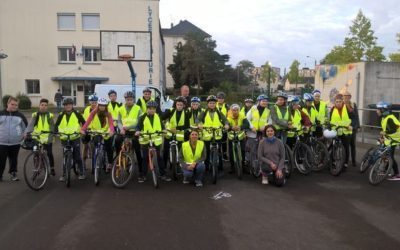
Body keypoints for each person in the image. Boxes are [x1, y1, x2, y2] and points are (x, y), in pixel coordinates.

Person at [135, 101, 171, 182]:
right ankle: (143, 175)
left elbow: (162, 126)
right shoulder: (142, 117)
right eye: (150, 109)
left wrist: (164, 130)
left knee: (159, 157)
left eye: (153, 109)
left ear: (155, 109)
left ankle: (163, 174)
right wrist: (137, 131)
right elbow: (138, 126)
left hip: (156, 139)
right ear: (147, 109)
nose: (151, 110)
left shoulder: (157, 117)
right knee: (145, 158)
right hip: (145, 140)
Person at [55, 98, 86, 181]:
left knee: (77, 156)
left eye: (69, 104)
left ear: (72, 105)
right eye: (66, 105)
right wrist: (55, 132)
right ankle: (64, 174)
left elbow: (84, 123)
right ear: (64, 106)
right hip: (64, 138)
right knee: (65, 157)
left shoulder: (77, 113)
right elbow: (56, 125)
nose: (68, 106)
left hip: (75, 137)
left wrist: (83, 130)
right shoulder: (61, 114)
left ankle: (82, 172)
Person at [198, 95, 230, 175]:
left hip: (217, 134)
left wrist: (226, 124)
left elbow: (225, 119)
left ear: (215, 104)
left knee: (219, 151)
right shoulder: (204, 111)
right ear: (207, 104)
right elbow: (198, 119)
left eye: (213, 103)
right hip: (207, 135)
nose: (212, 104)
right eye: (210, 103)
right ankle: (206, 167)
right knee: (207, 152)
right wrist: (199, 123)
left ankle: (220, 168)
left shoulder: (219, 112)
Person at [81, 97, 115, 171]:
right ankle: (96, 160)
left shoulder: (108, 113)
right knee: (95, 144)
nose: (102, 107)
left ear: (106, 106)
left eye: (104, 105)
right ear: (98, 105)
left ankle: (109, 163)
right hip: (96, 132)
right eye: (100, 105)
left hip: (105, 132)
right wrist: (83, 129)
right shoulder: (93, 112)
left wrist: (111, 131)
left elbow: (111, 124)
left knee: (109, 147)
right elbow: (88, 122)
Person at [25, 98, 55, 176]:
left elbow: (52, 127)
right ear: (39, 106)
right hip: (37, 138)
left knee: (49, 153)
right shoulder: (35, 115)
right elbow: (31, 125)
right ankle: (37, 168)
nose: (44, 107)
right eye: (42, 105)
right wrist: (28, 132)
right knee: (35, 154)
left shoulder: (50, 116)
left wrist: (50, 138)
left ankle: (52, 167)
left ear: (47, 107)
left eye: (45, 105)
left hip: (47, 138)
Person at [0, 97, 28, 181]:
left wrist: (25, 134)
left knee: (13, 159)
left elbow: (26, 127)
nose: (14, 106)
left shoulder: (20, 115)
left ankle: (13, 173)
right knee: (1, 160)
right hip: (2, 142)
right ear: (7, 104)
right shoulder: (1, 113)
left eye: (16, 105)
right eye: (12, 104)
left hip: (15, 142)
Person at [117, 91, 143, 177]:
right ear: (125, 100)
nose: (129, 101)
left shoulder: (138, 108)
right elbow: (119, 121)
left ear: (133, 100)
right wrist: (121, 129)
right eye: (127, 99)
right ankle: (118, 160)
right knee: (117, 140)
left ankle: (140, 169)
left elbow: (140, 121)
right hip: (124, 131)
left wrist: (129, 127)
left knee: (137, 148)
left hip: (134, 131)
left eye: (131, 99)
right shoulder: (121, 109)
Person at [162, 96, 190, 172]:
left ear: (184, 105)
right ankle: (164, 167)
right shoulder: (170, 110)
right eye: (178, 104)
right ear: (175, 104)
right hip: (169, 134)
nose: (179, 106)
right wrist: (164, 127)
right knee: (166, 151)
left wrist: (177, 128)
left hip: (179, 135)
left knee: (180, 152)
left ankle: (178, 166)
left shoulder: (186, 112)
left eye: (181, 105)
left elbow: (187, 125)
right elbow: (161, 118)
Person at [376, 101, 400, 180]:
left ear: (383, 110)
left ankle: (397, 174)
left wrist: (384, 133)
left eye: (378, 109)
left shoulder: (390, 118)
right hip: (389, 138)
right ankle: (387, 171)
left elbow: (393, 130)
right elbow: (385, 129)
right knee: (386, 155)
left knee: (390, 156)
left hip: (394, 139)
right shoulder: (384, 117)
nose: (376, 111)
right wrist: (382, 137)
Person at [329, 94, 352, 169]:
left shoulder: (347, 108)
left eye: (340, 101)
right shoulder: (333, 109)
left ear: (342, 102)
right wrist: (330, 126)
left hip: (345, 131)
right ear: (335, 102)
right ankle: (333, 162)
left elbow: (354, 118)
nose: (338, 103)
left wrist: (352, 126)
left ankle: (345, 163)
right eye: (337, 101)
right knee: (334, 146)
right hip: (336, 130)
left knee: (346, 148)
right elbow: (330, 120)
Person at [227, 104, 249, 173]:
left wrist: (240, 127)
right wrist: (230, 127)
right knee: (231, 151)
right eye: (234, 110)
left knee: (243, 150)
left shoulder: (242, 115)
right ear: (231, 111)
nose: (235, 111)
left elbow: (247, 124)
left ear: (239, 110)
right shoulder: (229, 117)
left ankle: (243, 166)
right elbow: (227, 125)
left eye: (237, 110)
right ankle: (232, 167)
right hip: (231, 135)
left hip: (241, 135)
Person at [343, 90, 360, 167]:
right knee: (346, 146)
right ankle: (346, 161)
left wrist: (358, 126)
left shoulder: (353, 104)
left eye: (348, 96)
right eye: (345, 96)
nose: (346, 98)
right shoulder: (342, 104)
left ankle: (353, 161)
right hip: (346, 127)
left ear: (350, 97)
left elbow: (356, 116)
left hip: (353, 127)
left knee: (353, 145)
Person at [82, 94, 98, 165]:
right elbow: (84, 120)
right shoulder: (86, 109)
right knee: (85, 145)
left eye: (95, 102)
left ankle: (97, 160)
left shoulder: (99, 109)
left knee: (97, 146)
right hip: (88, 130)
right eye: (92, 102)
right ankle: (83, 162)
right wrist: (83, 129)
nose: (93, 104)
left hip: (96, 130)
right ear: (89, 102)